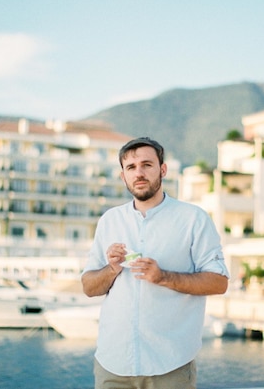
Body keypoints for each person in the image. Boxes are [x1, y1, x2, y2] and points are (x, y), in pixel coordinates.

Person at [81, 137, 229, 389]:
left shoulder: (193, 219)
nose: (139, 173)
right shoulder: (109, 220)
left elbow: (219, 282)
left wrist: (163, 277)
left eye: (146, 165)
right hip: (113, 364)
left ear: (162, 169)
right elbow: (88, 287)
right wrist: (112, 269)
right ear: (123, 176)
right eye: (131, 167)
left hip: (171, 364)